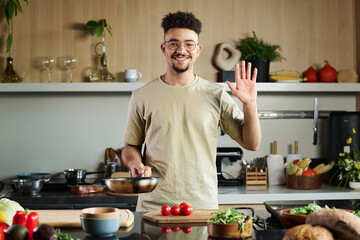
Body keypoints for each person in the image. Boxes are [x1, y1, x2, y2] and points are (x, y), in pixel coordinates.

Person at [121, 11, 261, 212]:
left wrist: (250, 104)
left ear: (198, 50)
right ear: (163, 48)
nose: (181, 50)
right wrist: (134, 162)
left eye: (189, 44)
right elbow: (130, 146)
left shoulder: (216, 94)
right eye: (173, 43)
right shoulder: (142, 95)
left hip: (202, 206)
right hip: (154, 206)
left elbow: (252, 143)